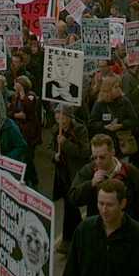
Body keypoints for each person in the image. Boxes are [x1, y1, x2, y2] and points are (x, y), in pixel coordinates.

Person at [68, 134, 139, 233]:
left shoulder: (129, 171)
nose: (98, 162)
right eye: (94, 157)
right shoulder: (89, 171)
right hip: (99, 232)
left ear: (112, 152)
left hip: (127, 231)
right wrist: (91, 183)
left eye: (102, 157)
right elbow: (73, 197)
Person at [51, 107, 90, 252]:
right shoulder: (56, 130)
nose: (59, 121)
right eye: (57, 118)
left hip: (75, 173)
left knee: (70, 204)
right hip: (62, 174)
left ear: (68, 117)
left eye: (62, 118)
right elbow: (50, 148)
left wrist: (65, 144)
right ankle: (75, 238)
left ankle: (68, 240)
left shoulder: (80, 130)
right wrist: (54, 156)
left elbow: (84, 152)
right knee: (69, 205)